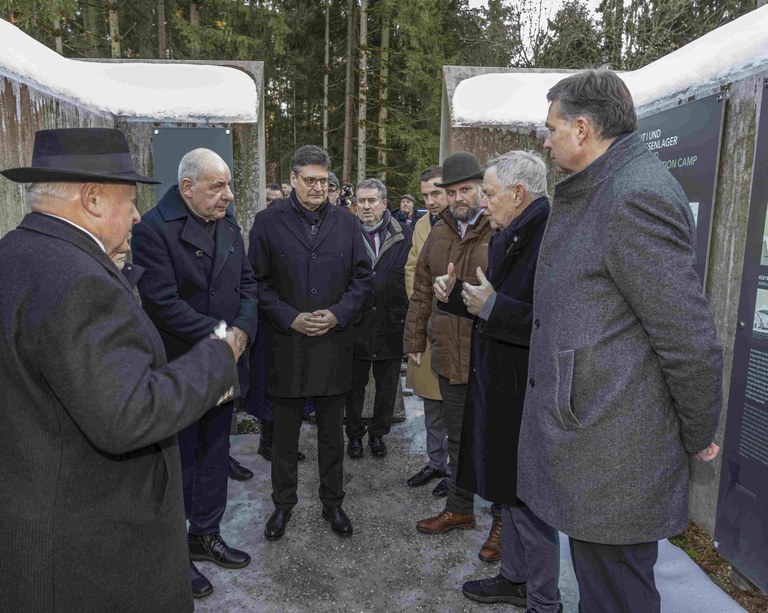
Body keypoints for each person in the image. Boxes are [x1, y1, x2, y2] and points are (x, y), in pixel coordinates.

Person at [0, 127, 243, 612]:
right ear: (91, 198)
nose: (136, 215)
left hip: (34, 514)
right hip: (89, 545)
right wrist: (220, 355)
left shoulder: (15, 251)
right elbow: (130, 413)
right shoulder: (79, 280)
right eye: (129, 201)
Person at [518, 69, 723, 613]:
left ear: (583, 129)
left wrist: (697, 429)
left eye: (552, 128)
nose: (546, 141)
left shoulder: (633, 196)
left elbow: (687, 337)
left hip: (616, 454)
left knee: (616, 596)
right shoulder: (605, 186)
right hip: (597, 444)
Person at [131, 148, 259, 599]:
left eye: (228, 186)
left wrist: (243, 331)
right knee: (180, 462)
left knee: (215, 451)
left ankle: (205, 533)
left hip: (225, 363)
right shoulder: (153, 229)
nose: (229, 195)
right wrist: (224, 335)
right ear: (187, 188)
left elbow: (248, 283)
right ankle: (173, 556)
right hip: (182, 365)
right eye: (217, 187)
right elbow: (162, 302)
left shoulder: (227, 223)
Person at [451, 151, 561, 612]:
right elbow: (494, 302)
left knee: (530, 502)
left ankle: (544, 600)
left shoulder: (550, 237)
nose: (483, 202)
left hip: (527, 393)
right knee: (510, 493)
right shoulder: (511, 235)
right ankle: (515, 579)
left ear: (518, 194)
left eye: (490, 193)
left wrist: (492, 306)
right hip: (503, 387)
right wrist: (456, 297)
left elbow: (555, 324)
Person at [249, 145, 372, 540]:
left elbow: (362, 279)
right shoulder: (267, 222)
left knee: (331, 435)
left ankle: (332, 503)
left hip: (332, 346)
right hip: (287, 345)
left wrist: (338, 313)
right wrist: (289, 316)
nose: (318, 187)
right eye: (310, 180)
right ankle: (282, 505)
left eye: (323, 181)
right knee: (284, 437)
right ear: (293, 180)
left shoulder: (347, 223)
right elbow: (256, 282)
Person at [403, 151, 501, 562]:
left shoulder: (498, 228)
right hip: (449, 351)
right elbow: (422, 290)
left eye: (467, 189)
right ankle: (460, 508)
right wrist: (414, 342)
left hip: (492, 355)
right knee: (458, 436)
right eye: (453, 191)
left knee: (497, 440)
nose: (460, 198)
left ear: (481, 189)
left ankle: (502, 522)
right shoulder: (438, 231)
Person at [345, 178, 413, 458]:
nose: (366, 206)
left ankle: (378, 434)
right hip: (356, 325)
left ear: (384, 203)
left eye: (372, 200)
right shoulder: (345, 234)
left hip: (391, 324)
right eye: (361, 201)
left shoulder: (404, 235)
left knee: (387, 387)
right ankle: (354, 434)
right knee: (353, 387)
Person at [405, 165, 451, 498]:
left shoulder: (468, 223)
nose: (431, 201)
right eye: (425, 195)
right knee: (432, 406)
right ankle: (436, 462)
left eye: (436, 192)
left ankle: (457, 473)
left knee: (457, 410)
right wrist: (422, 301)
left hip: (456, 326)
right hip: (427, 322)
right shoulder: (423, 224)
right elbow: (412, 268)